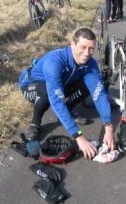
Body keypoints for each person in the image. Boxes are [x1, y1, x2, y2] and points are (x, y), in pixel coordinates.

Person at [18, 28, 115, 160]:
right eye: (83, 47)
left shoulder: (90, 64)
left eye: (91, 49)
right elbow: (56, 100)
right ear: (72, 44)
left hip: (61, 83)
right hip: (31, 84)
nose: (87, 53)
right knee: (47, 93)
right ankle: (34, 124)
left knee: (90, 85)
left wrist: (108, 128)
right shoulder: (55, 61)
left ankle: (68, 109)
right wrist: (79, 137)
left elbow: (99, 93)